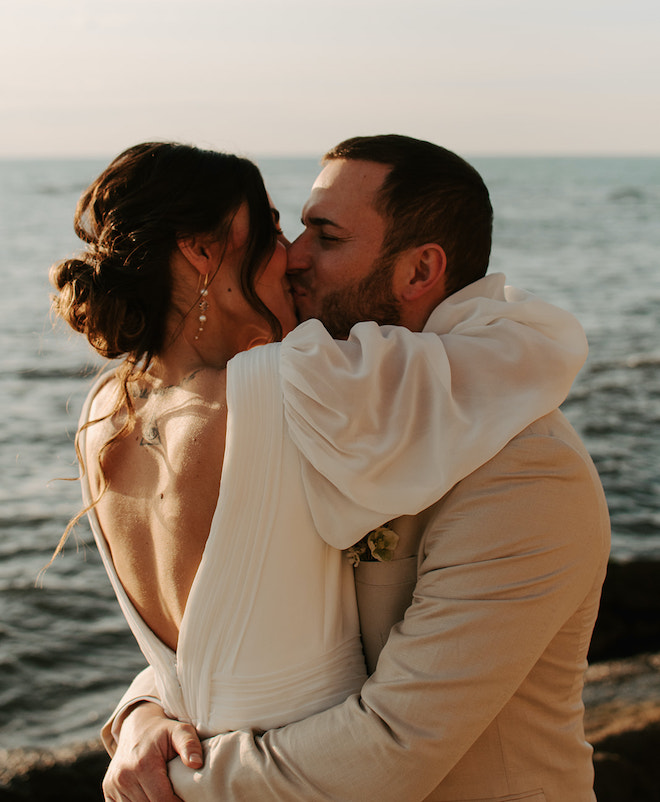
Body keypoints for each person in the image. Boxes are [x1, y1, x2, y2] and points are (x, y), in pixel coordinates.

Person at [77, 137, 607, 802]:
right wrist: (143, 713)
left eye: (323, 236)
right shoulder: (314, 407)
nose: (294, 257)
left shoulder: (527, 471)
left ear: (418, 273)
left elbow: (394, 745)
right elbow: (240, 617)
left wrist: (181, 781)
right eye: (290, 230)